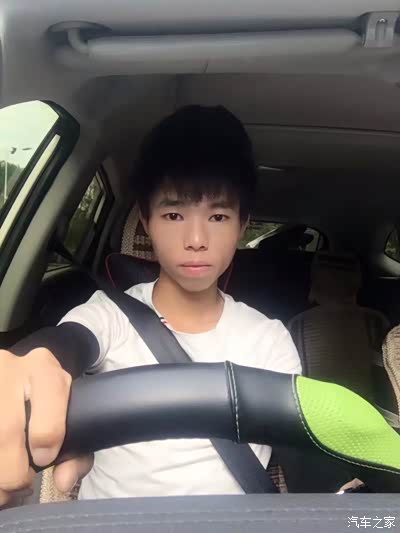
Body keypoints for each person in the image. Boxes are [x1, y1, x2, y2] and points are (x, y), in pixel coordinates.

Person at [0, 105, 301, 505]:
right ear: (146, 221)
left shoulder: (269, 339)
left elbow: (304, 457)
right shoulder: (110, 314)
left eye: (218, 216)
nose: (196, 239)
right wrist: (30, 364)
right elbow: (66, 343)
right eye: (174, 214)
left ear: (242, 226)